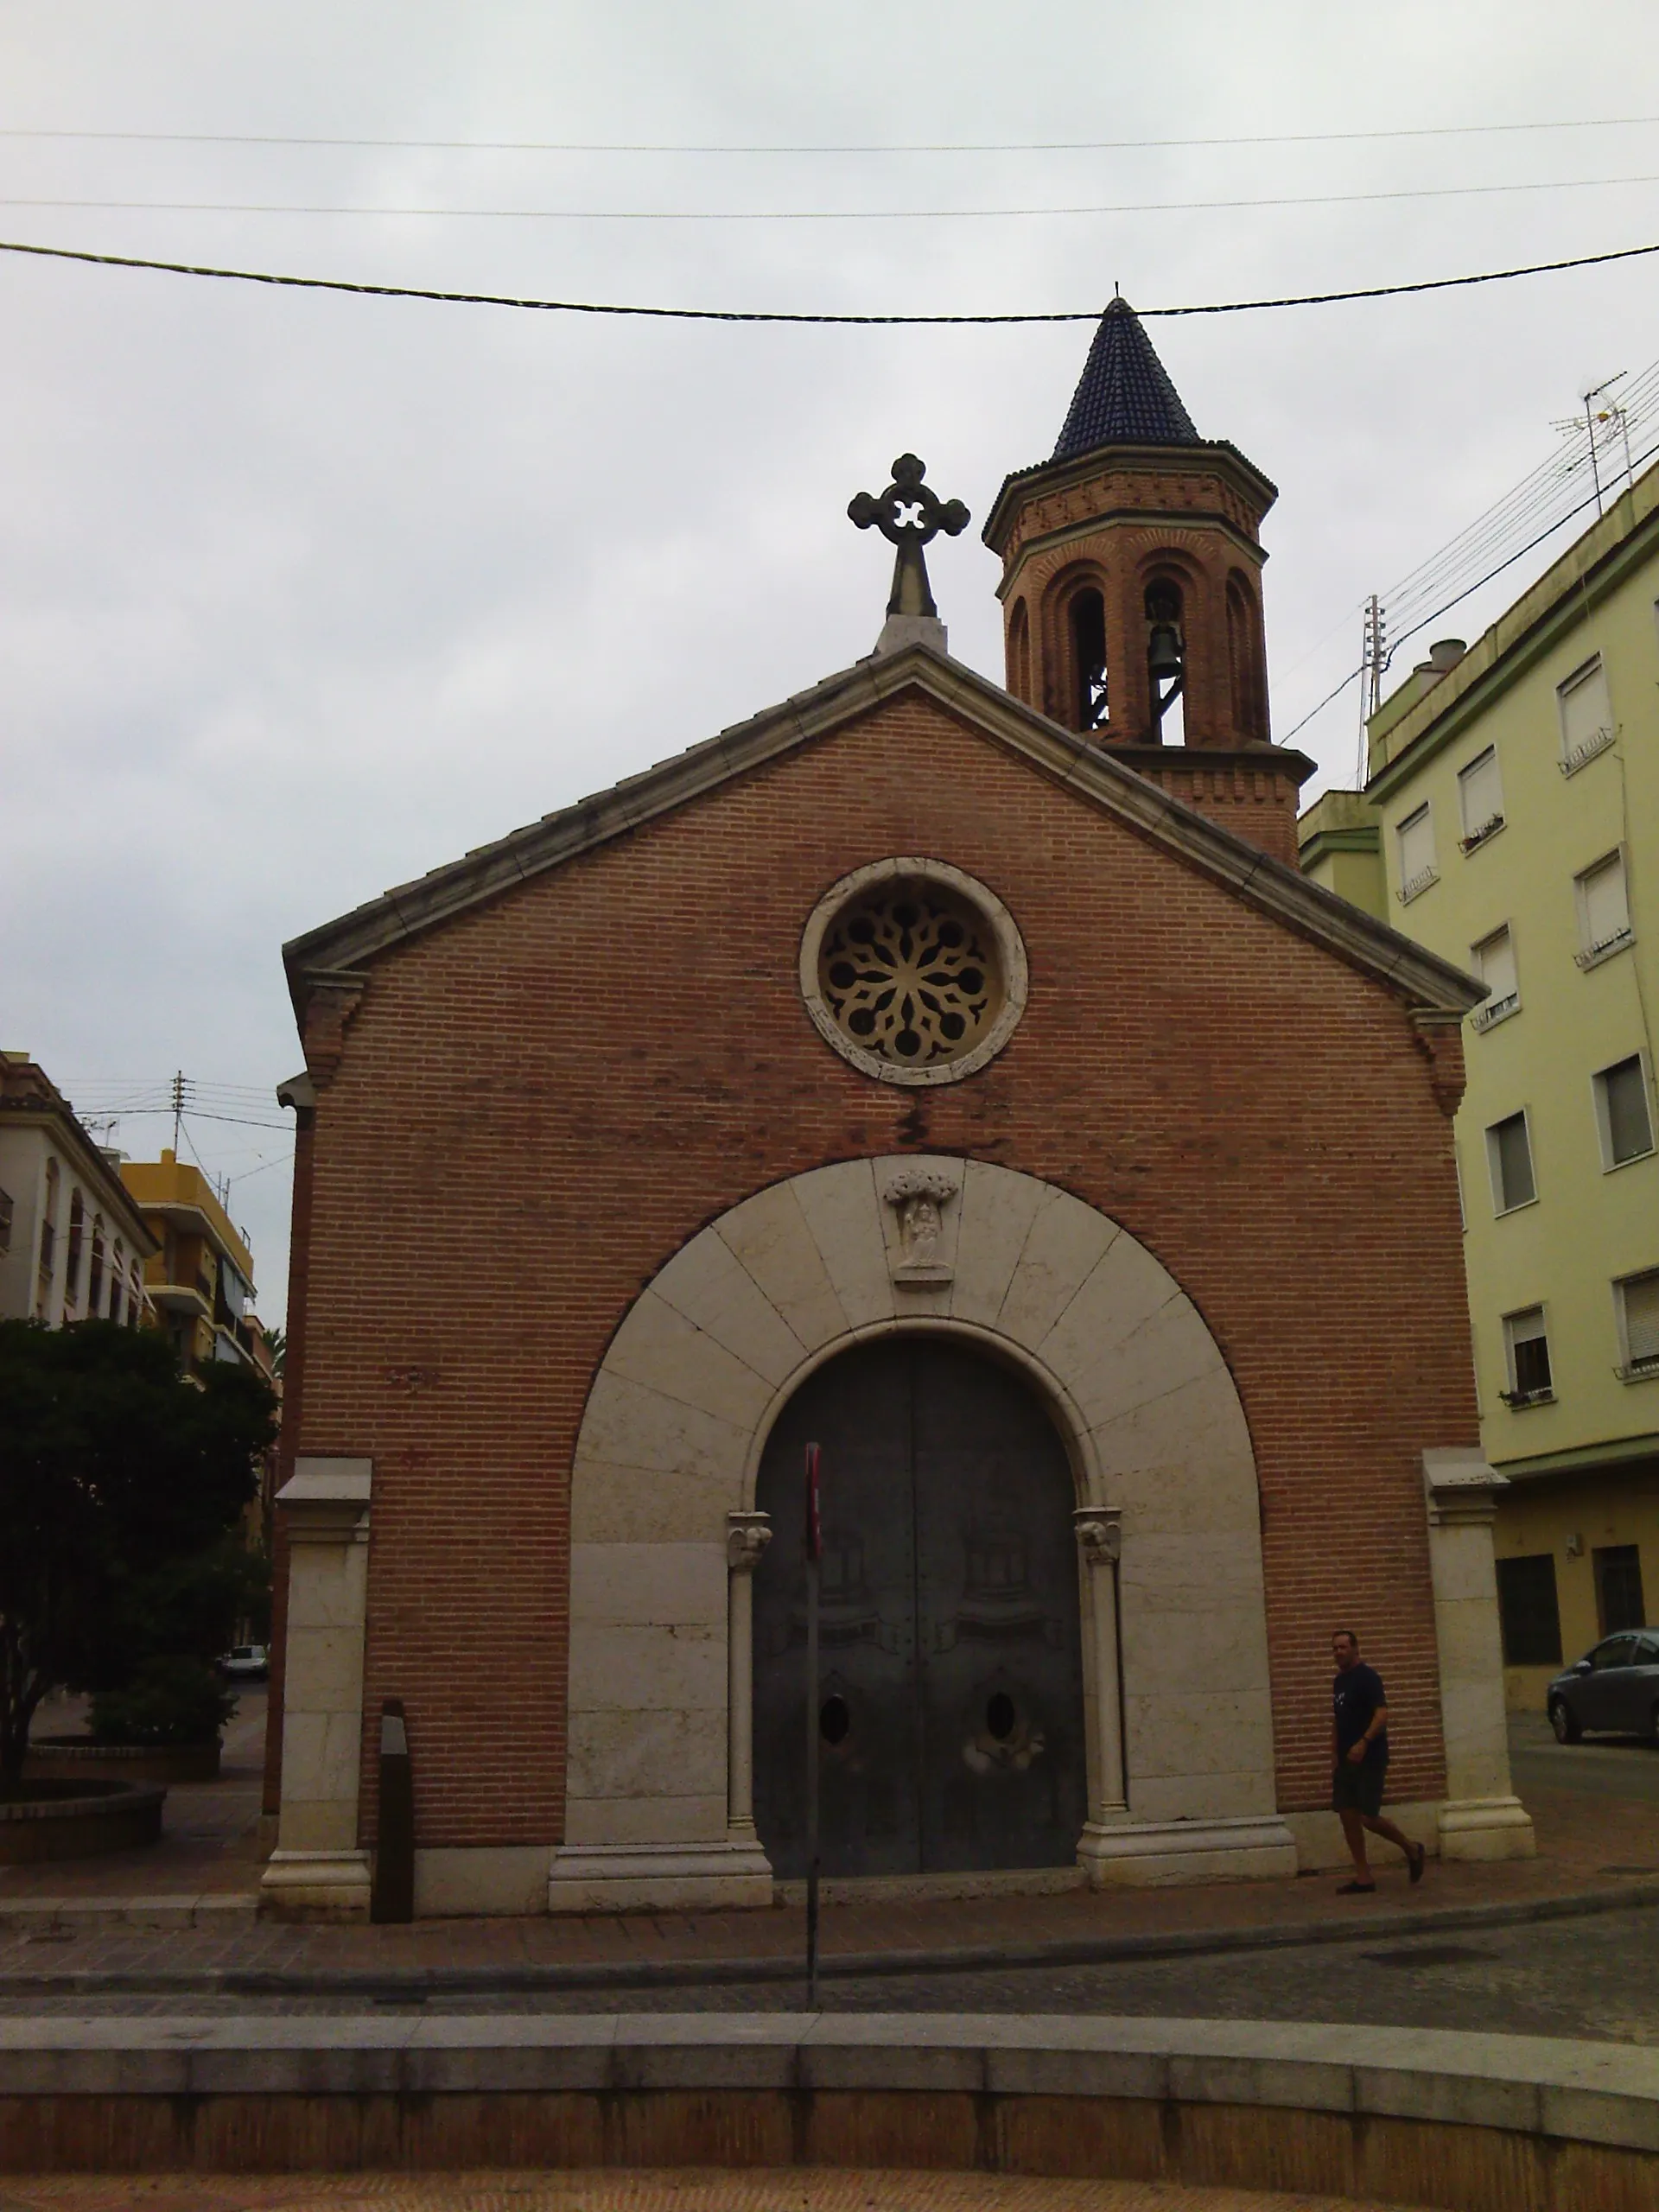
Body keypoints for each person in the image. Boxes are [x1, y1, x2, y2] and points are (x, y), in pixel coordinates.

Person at [1331, 1628, 1426, 1893]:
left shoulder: (1368, 1678)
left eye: (1343, 1647)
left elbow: (1382, 1714)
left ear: (1355, 1649)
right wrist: (1333, 1755)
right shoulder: (1339, 1682)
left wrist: (1364, 1742)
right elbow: (1337, 1722)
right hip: (1345, 1762)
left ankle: (1412, 1849)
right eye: (1335, 1648)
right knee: (1348, 1817)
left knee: (1368, 1818)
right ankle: (1364, 1877)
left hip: (1370, 1759)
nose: (1339, 1652)